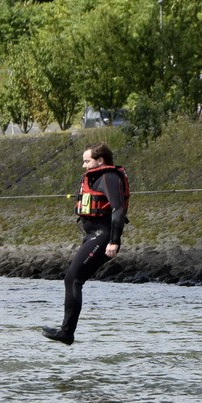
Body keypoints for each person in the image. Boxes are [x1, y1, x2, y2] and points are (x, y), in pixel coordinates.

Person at [43, 142, 129, 345]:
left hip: (103, 236)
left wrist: (114, 241)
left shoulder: (109, 177)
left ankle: (66, 332)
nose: (84, 165)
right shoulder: (97, 177)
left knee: (73, 279)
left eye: (87, 161)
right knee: (71, 279)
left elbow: (118, 211)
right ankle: (66, 331)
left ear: (100, 161)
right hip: (92, 236)